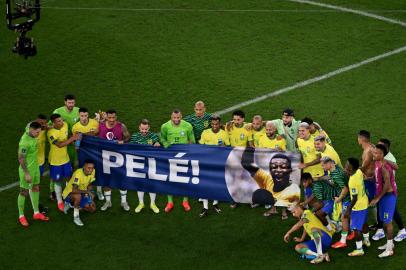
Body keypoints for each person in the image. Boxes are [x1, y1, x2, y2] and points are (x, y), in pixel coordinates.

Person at [241, 147, 300, 220]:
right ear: (270, 170)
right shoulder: (267, 178)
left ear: (290, 170)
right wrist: (250, 148)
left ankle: (283, 211)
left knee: (283, 191)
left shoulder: (294, 189)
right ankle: (273, 209)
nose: (278, 170)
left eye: (283, 166)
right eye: (274, 167)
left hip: (288, 196)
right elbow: (247, 164)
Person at [161, 109, 195, 212]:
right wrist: (166, 144)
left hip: (183, 155)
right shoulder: (165, 126)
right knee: (170, 178)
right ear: (171, 117)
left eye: (178, 117)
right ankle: (170, 202)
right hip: (170, 156)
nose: (176, 119)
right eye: (174, 118)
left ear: (181, 116)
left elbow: (192, 140)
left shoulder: (187, 126)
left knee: (184, 178)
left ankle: (185, 201)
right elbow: (162, 138)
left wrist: (187, 148)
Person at [372, 139, 406, 242]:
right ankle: (381, 229)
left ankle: (392, 242)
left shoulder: (385, 164)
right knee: (384, 214)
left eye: (378, 149)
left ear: (384, 151)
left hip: (388, 193)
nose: (375, 150)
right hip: (383, 193)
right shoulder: (379, 161)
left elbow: (388, 183)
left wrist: (378, 197)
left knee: (390, 218)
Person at [17, 122, 50, 226]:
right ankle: (21, 216)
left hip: (35, 168)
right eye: (37, 132)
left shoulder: (30, 129)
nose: (39, 134)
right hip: (26, 170)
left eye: (39, 132)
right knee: (24, 192)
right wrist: (26, 173)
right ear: (31, 130)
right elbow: (21, 158)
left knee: (36, 188)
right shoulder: (24, 142)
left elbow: (32, 124)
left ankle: (36, 213)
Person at [99, 109, 131, 211]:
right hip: (104, 157)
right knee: (106, 181)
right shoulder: (100, 126)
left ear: (116, 117)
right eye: (109, 117)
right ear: (106, 117)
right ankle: (108, 202)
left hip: (119, 157)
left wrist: (123, 141)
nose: (112, 120)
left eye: (113, 117)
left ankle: (123, 202)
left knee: (121, 179)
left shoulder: (121, 126)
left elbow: (128, 137)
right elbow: (93, 135)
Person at [198, 115, 229, 217]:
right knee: (205, 183)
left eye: (216, 124)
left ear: (220, 124)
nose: (215, 126)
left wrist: (224, 147)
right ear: (210, 124)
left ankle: (215, 203)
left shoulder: (224, 134)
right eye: (213, 124)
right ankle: (205, 207)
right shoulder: (205, 133)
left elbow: (228, 147)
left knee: (216, 182)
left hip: (218, 162)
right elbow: (200, 147)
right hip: (206, 162)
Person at [369, 144, 397, 258]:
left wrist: (377, 198)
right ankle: (389, 243)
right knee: (384, 221)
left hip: (388, 197)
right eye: (374, 152)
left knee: (388, 223)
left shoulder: (385, 167)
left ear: (382, 155)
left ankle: (390, 249)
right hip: (383, 197)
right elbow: (378, 179)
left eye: (376, 153)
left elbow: (388, 186)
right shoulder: (377, 163)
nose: (373, 154)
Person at [48, 114, 79, 212]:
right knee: (58, 181)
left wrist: (72, 139)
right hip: (55, 161)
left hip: (66, 159)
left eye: (61, 120)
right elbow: (59, 145)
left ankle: (67, 197)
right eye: (58, 121)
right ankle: (59, 201)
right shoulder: (50, 133)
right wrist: (72, 139)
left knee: (69, 178)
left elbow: (68, 135)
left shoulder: (65, 125)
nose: (61, 122)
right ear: (53, 123)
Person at [129, 119, 161, 214]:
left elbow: (159, 144)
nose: (144, 131)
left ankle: (152, 204)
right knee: (140, 183)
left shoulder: (154, 136)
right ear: (139, 127)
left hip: (151, 163)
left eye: (146, 129)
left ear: (149, 128)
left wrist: (157, 144)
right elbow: (130, 148)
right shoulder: (134, 136)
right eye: (142, 129)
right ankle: (141, 203)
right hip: (138, 163)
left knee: (151, 183)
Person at [320, 157, 352, 249]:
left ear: (329, 163)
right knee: (349, 216)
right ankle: (353, 231)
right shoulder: (336, 168)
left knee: (344, 218)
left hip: (347, 199)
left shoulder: (336, 175)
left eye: (323, 165)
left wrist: (339, 198)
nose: (322, 167)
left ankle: (343, 241)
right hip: (348, 197)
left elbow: (345, 189)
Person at [71, 107, 101, 199]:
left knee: (97, 170)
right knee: (85, 171)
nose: (84, 118)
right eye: (82, 116)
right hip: (83, 152)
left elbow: (98, 135)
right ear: (79, 115)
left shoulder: (95, 123)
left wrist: (82, 135)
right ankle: (86, 191)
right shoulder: (75, 127)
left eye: (86, 115)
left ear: (88, 115)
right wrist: (77, 145)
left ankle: (99, 191)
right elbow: (75, 140)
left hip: (94, 151)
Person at [344, 158, 370, 257]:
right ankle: (366, 240)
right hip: (365, 202)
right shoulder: (358, 171)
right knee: (363, 222)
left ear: (351, 168)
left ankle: (359, 249)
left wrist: (348, 210)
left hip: (358, 207)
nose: (345, 167)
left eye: (347, 165)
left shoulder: (352, 181)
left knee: (355, 228)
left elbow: (354, 198)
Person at [62, 160, 96, 226]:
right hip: (70, 193)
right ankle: (76, 217)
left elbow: (90, 184)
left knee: (92, 209)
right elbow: (74, 190)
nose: (90, 170)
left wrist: (90, 198)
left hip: (82, 191)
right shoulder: (78, 174)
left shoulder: (93, 171)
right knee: (78, 196)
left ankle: (73, 205)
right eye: (88, 168)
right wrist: (87, 192)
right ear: (84, 167)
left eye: (92, 168)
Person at [52, 94, 80, 166]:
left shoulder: (78, 111)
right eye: (69, 103)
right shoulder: (58, 111)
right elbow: (52, 125)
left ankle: (72, 167)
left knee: (74, 154)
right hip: (62, 137)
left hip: (74, 138)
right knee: (62, 154)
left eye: (73, 103)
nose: (71, 105)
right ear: (65, 102)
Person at [357, 130, 377, 228]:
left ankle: (378, 224)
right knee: (370, 201)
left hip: (369, 180)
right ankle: (377, 223)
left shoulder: (369, 151)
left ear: (361, 139)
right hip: (369, 179)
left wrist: (351, 172)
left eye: (358, 138)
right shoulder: (370, 147)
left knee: (370, 202)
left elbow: (364, 167)